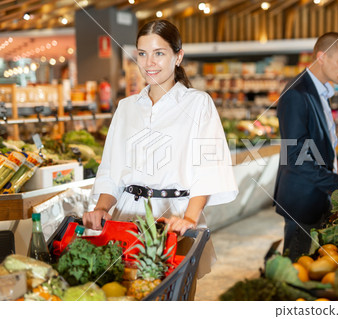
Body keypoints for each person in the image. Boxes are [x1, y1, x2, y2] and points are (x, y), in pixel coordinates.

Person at [83, 20, 238, 285]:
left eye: (159, 53)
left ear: (178, 56)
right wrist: (101, 208)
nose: (149, 63)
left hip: (175, 222)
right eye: (142, 54)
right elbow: (111, 169)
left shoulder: (198, 103)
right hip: (127, 219)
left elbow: (208, 168)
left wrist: (189, 218)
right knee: (123, 293)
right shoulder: (126, 107)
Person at [273, 32, 338, 261]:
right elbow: (297, 157)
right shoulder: (296, 94)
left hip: (317, 197)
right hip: (302, 202)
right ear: (322, 57)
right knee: (295, 272)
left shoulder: (321, 92)